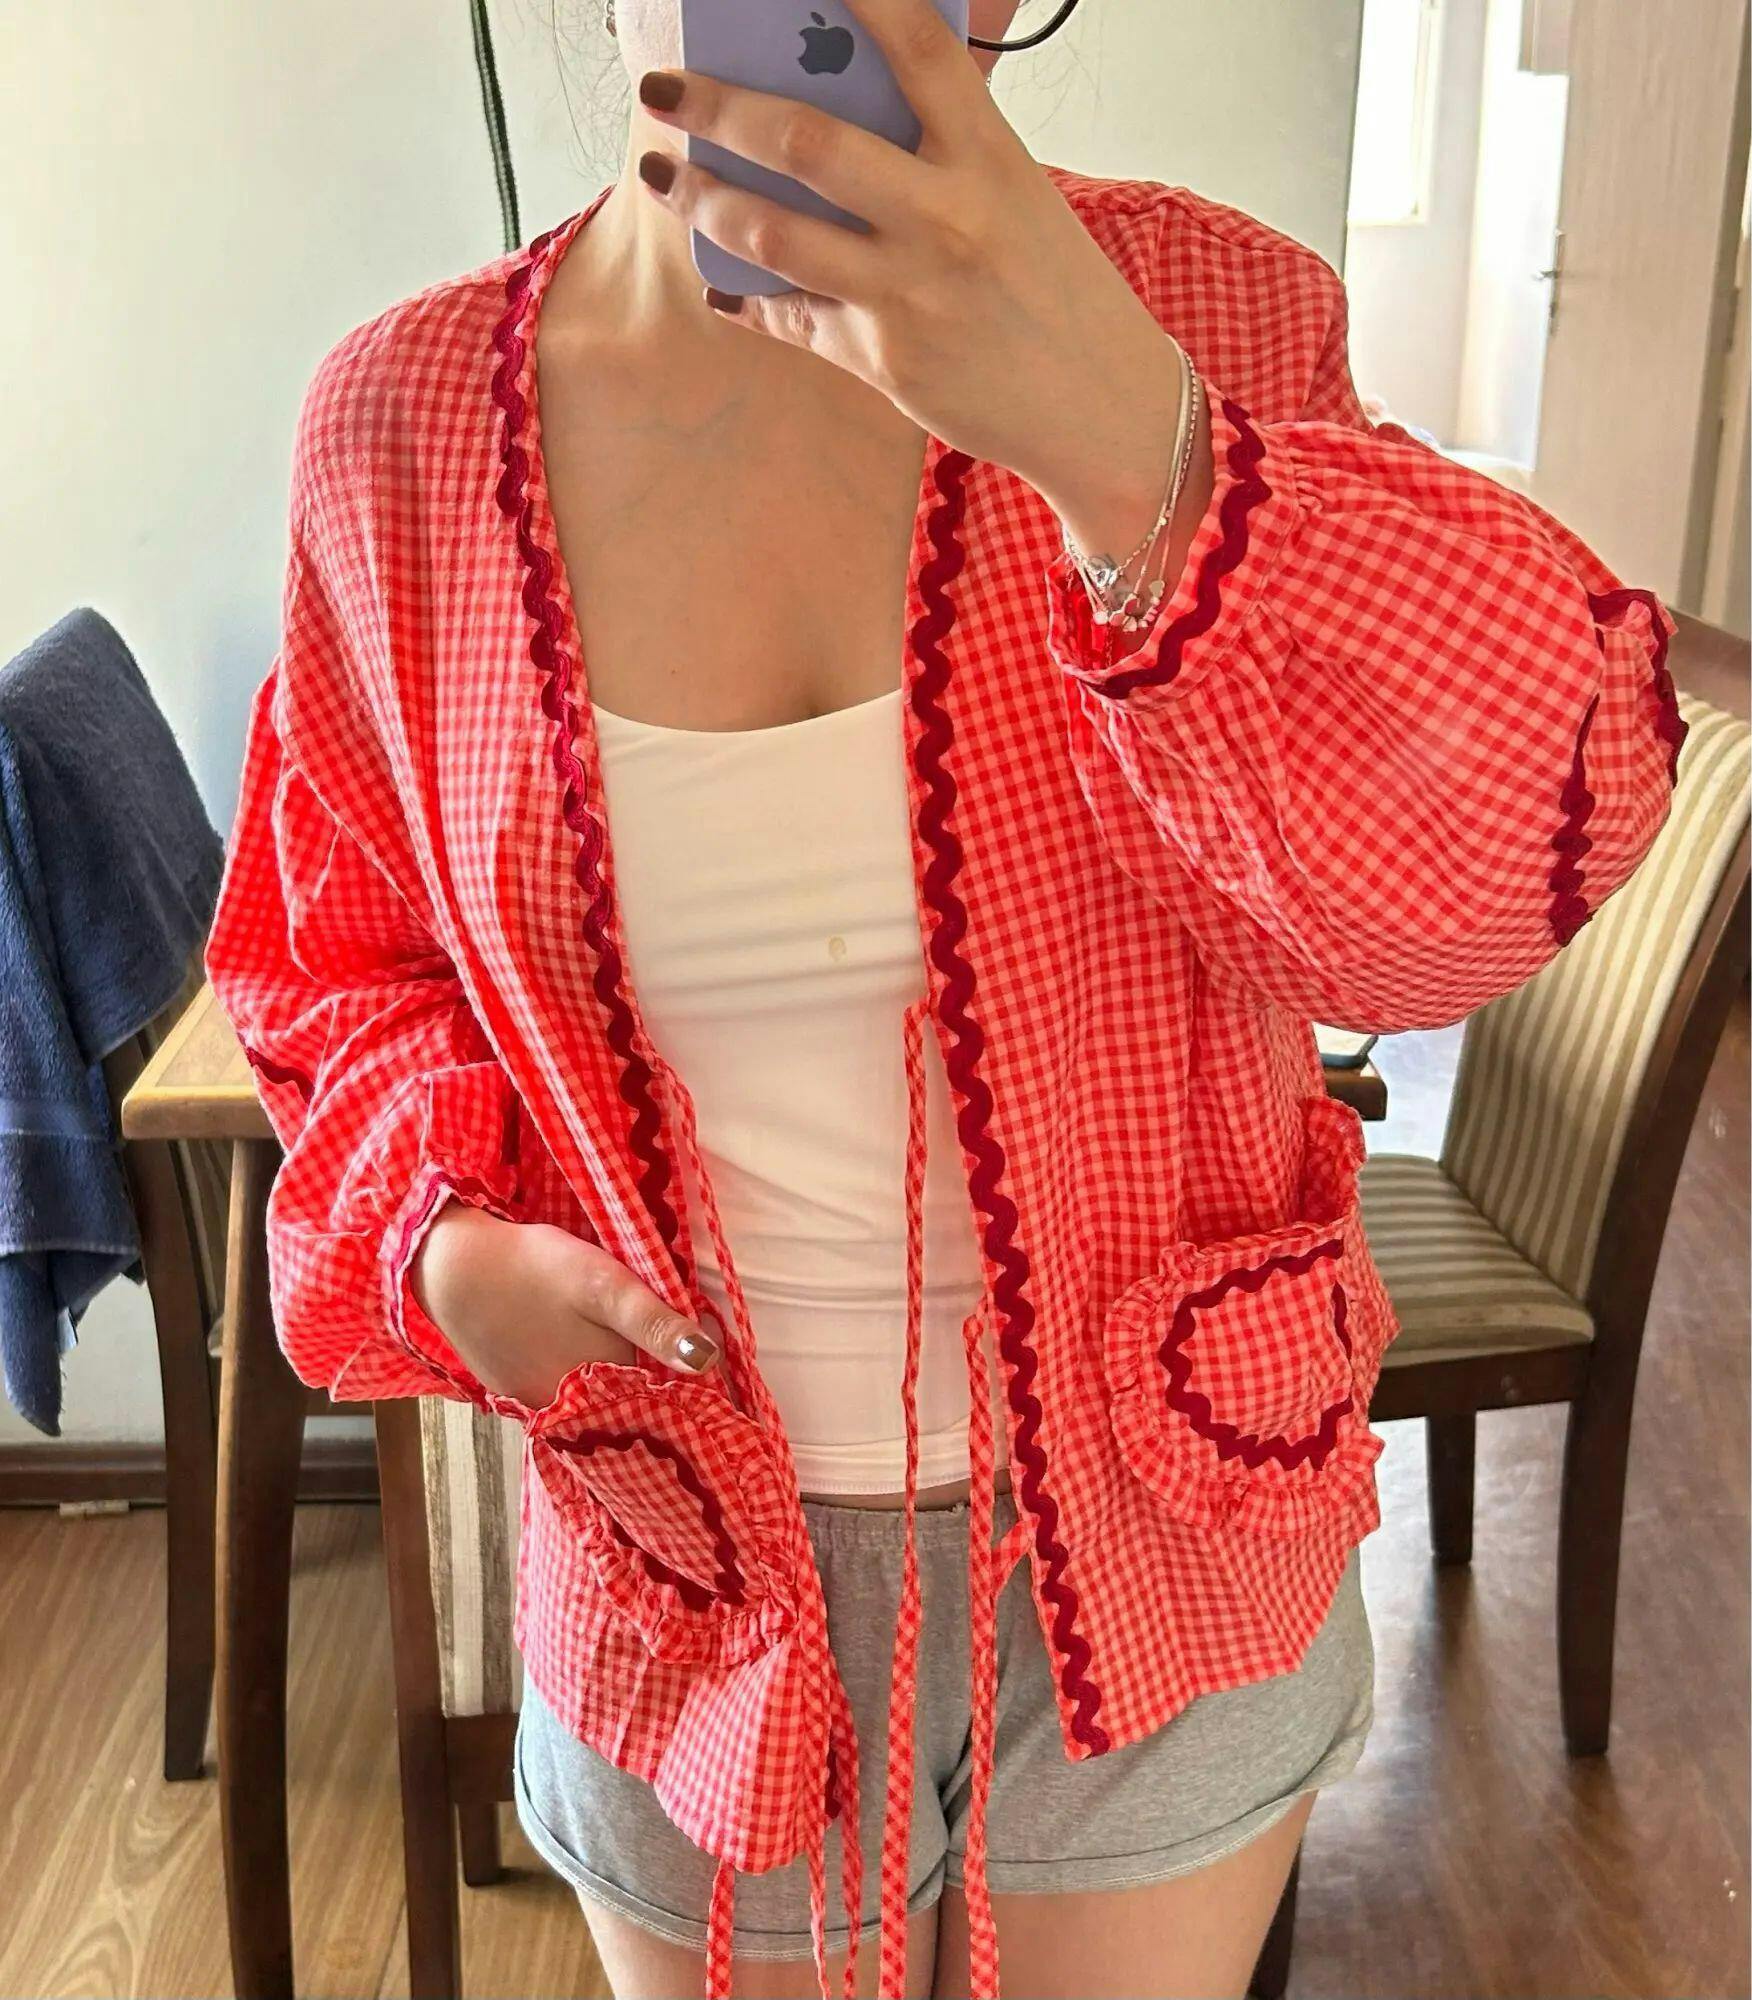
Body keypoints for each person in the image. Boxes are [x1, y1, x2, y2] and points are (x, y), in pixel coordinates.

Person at [201, 2, 1686, 1994]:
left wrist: (1139, 452)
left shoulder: (1214, 318)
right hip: (689, 1576)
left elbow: (1478, 893)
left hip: (1174, 1532)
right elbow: (335, 963)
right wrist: (445, 1247)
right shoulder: (394, 432)